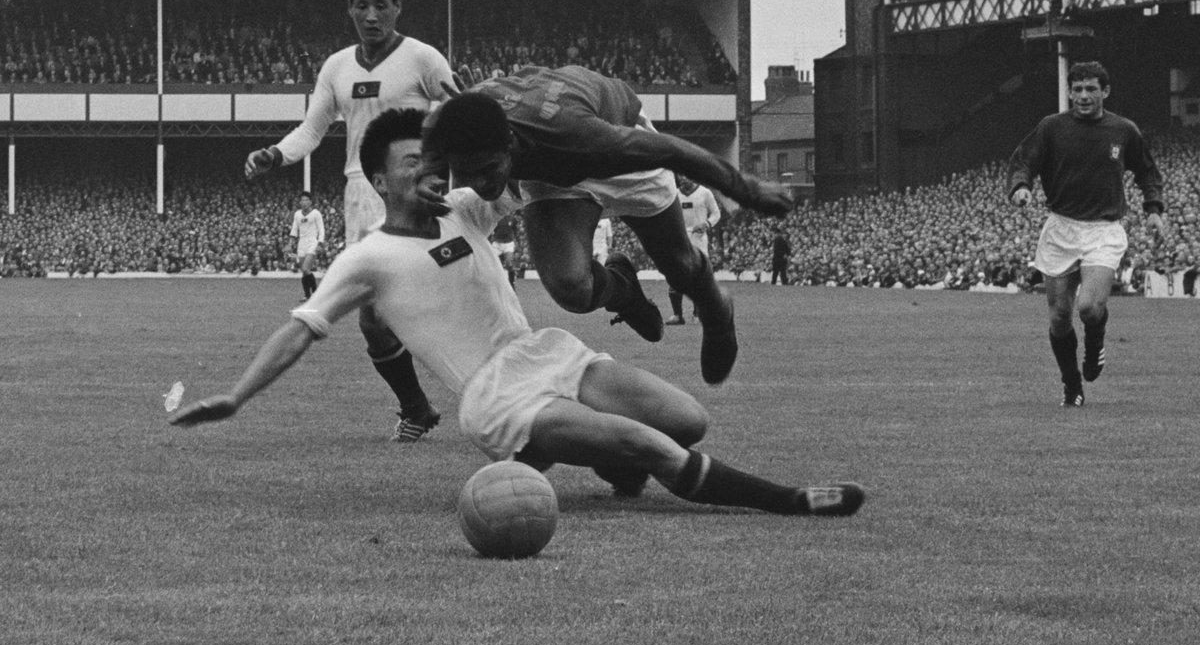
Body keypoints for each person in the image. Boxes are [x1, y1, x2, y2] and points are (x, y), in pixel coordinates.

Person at [171, 108, 863, 518]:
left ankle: (601, 456)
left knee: (688, 420)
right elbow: (300, 331)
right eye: (415, 162)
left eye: (436, 160)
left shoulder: (468, 210)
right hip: (497, 398)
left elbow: (527, 164)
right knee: (656, 447)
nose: (431, 171)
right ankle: (792, 502)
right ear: (378, 179)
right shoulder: (367, 259)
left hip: (550, 355)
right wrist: (236, 396)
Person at [422, 64, 794, 385]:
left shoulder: (580, 136)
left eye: (489, 170)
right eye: (467, 174)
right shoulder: (449, 126)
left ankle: (716, 311)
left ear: (509, 142)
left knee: (680, 267)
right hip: (552, 168)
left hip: (608, 143)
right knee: (570, 288)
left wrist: (747, 190)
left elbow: (672, 150)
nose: (482, 185)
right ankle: (625, 292)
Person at [244, 0, 452, 442]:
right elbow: (312, 130)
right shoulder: (337, 67)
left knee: (427, 306)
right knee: (373, 320)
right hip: (361, 193)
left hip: (413, 190)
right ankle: (416, 408)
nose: (372, 15)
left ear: (399, 7)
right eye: (363, 5)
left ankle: (489, 400)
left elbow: (459, 112)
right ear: (350, 11)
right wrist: (275, 154)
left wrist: (436, 173)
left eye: (382, 4)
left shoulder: (423, 59)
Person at [1007, 60, 1165, 406]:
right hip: (1061, 227)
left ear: (1105, 92)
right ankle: (1071, 386)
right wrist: (1020, 186)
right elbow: (1024, 160)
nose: (1083, 95)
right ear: (1069, 92)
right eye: (1076, 89)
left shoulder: (1124, 130)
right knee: (1060, 316)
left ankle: (1094, 346)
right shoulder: (1051, 127)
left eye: (1091, 89)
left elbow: (1147, 171)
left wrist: (1153, 209)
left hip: (1103, 230)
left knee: (1090, 308)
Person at [666, 176, 721, 325]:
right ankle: (678, 315)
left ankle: (697, 314)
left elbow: (716, 213)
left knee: (698, 277)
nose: (682, 179)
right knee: (675, 276)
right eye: (680, 176)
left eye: (685, 176)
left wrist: (707, 224)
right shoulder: (674, 194)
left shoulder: (705, 193)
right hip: (679, 240)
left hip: (699, 240)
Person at [288, 191, 325, 299]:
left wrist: (320, 243)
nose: (304, 202)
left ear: (310, 202)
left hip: (312, 242)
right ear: (299, 202)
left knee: (305, 268)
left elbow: (321, 229)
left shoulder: (316, 213)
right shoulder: (297, 214)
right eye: (302, 200)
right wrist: (290, 244)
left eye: (306, 200)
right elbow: (294, 230)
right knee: (304, 272)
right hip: (301, 243)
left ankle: (315, 293)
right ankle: (307, 295)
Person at [490, 213, 518, 286]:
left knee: (509, 263)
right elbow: (491, 230)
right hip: (497, 244)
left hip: (508, 244)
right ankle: (494, 283)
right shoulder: (497, 218)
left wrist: (516, 241)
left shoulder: (512, 219)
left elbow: (515, 231)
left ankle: (512, 283)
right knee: (492, 263)